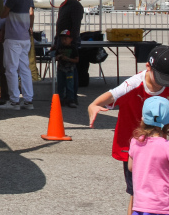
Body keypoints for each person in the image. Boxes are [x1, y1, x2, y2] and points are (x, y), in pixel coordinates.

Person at [88, 45, 169, 214]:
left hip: (162, 143)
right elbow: (111, 95)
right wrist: (94, 105)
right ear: (148, 66)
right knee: (136, 192)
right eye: (162, 77)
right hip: (136, 144)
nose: (165, 82)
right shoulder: (134, 84)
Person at [0, 0, 35, 111]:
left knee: (11, 69)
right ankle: (28, 100)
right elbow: (31, 14)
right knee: (24, 69)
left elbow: (3, 14)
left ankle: (14, 101)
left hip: (13, 38)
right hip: (25, 38)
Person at [129, 96, 169, 215]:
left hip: (140, 204)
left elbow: (131, 167)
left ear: (143, 120)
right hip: (162, 205)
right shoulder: (166, 146)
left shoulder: (135, 142)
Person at [53, 29, 79, 107]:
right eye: (62, 39)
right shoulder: (60, 47)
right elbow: (56, 57)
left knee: (70, 85)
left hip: (70, 70)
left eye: (66, 38)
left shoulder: (73, 48)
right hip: (61, 69)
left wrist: (67, 59)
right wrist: (58, 57)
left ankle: (71, 99)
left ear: (71, 39)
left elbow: (77, 60)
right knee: (60, 85)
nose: (64, 41)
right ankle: (61, 99)